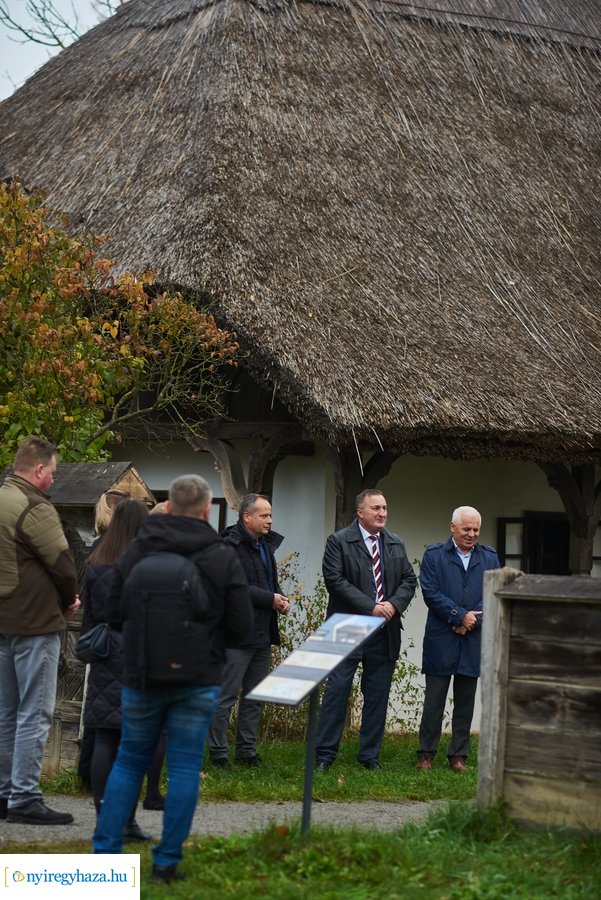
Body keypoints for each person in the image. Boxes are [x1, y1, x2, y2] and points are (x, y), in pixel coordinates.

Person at [93, 474, 253, 884]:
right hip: (199, 678)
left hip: (142, 674)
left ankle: (105, 857)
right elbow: (241, 628)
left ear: (168, 505)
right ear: (204, 510)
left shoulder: (138, 549)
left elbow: (112, 612)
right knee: (183, 767)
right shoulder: (220, 555)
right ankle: (166, 863)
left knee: (129, 761)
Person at [0, 437, 80, 825]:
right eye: (52, 472)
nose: (52, 479)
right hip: (34, 621)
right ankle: (26, 798)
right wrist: (70, 600)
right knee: (35, 712)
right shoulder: (33, 505)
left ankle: (3, 794)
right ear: (38, 470)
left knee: (6, 713)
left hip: (3, 622)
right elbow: (64, 564)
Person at [315, 489, 417, 771]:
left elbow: (409, 579)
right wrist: (371, 606)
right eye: (376, 508)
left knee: (377, 694)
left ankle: (369, 757)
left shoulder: (395, 543)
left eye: (384, 508)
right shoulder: (338, 541)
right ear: (360, 512)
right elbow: (334, 579)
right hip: (346, 625)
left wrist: (393, 606)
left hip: (384, 630)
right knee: (337, 691)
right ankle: (324, 756)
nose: (382, 513)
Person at [81, 498, 152, 841]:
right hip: (136, 655)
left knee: (104, 739)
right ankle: (127, 820)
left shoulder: (95, 562)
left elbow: (91, 616)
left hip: (104, 655)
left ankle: (103, 817)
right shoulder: (143, 565)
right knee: (134, 744)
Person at [415, 505, 500, 772]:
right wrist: (459, 615)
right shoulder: (434, 555)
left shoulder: (489, 557)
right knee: (434, 701)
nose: (472, 534)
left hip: (473, 639)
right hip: (442, 638)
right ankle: (426, 754)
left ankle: (458, 755)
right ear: (453, 528)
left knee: (465, 700)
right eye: (466, 529)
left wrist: (472, 621)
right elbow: (430, 593)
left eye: (476, 529)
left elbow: (494, 593)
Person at [208, 493, 290, 768]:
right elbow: (233, 587)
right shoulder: (228, 546)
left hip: (262, 632)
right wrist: (270, 599)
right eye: (264, 515)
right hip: (234, 635)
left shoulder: (265, 545)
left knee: (255, 695)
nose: (270, 520)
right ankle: (218, 754)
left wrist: (279, 596)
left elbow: (267, 581)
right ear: (247, 517)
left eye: (270, 515)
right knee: (226, 696)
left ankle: (246, 751)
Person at [77, 487, 131, 789]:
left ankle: (88, 774)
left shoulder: (98, 548)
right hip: (110, 638)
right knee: (106, 717)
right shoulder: (121, 552)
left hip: (95, 637)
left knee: (97, 712)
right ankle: (95, 776)